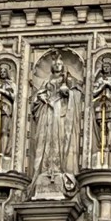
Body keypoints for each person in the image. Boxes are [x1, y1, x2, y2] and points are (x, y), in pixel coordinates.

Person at [29, 53, 83, 182]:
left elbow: (77, 94)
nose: (58, 66)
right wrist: (41, 98)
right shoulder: (46, 82)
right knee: (46, 139)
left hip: (61, 112)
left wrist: (68, 92)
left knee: (61, 138)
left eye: (60, 64)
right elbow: (37, 97)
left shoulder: (69, 80)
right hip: (48, 113)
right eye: (56, 64)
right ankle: (46, 169)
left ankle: (60, 169)